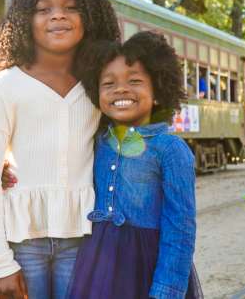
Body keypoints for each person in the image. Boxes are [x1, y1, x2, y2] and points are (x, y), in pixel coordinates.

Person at [0, 0, 121, 299]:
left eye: (71, 7)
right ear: (26, 19)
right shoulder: (5, 85)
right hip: (23, 244)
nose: (58, 15)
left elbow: (127, 143)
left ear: (89, 17)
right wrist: (0, 263)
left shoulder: (100, 84)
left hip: (83, 238)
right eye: (44, 8)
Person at [68, 31, 203, 299]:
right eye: (108, 83)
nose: (121, 89)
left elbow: (181, 228)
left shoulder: (170, 150)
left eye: (135, 80)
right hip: (96, 267)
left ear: (157, 91)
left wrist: (167, 290)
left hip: (146, 269)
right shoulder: (95, 143)